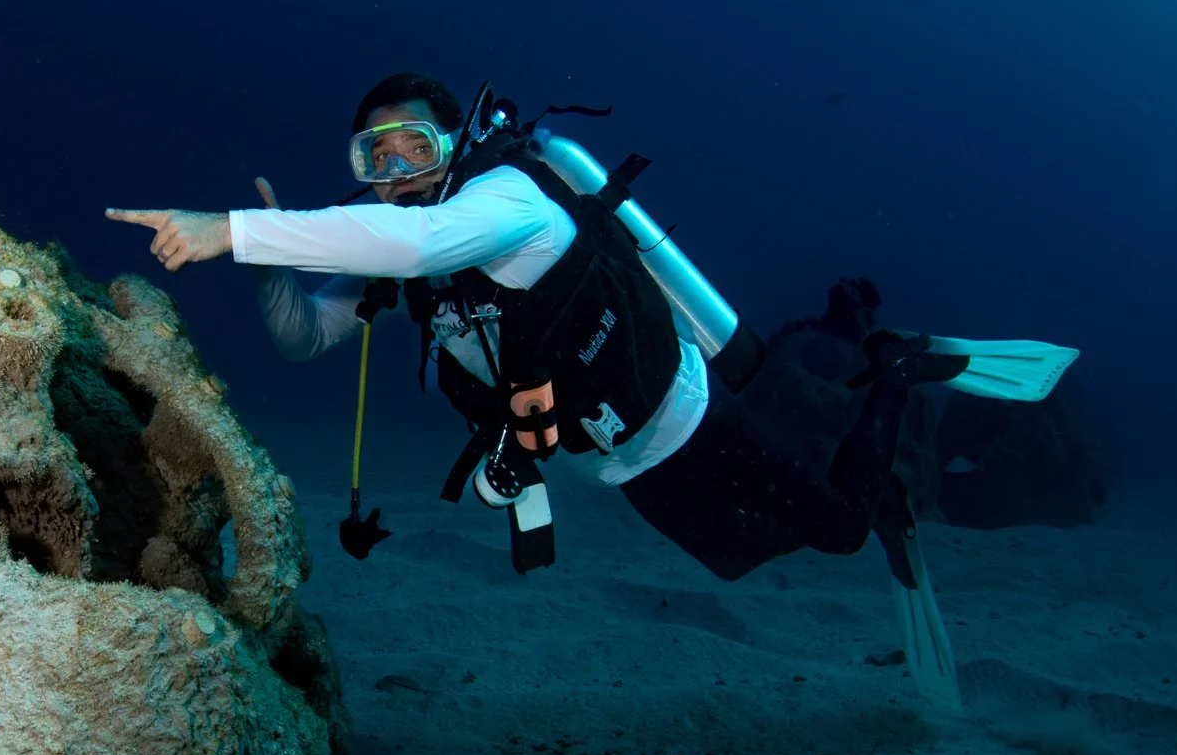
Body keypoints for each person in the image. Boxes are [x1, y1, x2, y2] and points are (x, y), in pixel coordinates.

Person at [106, 72, 966, 591]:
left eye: (413, 146)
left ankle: (887, 368)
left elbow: (419, 240)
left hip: (685, 415)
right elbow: (305, 336)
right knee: (740, 554)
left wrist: (233, 229)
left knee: (843, 527)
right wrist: (267, 266)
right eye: (375, 157)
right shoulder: (400, 256)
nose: (395, 173)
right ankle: (851, 414)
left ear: (458, 143)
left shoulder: (509, 200)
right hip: (619, 458)